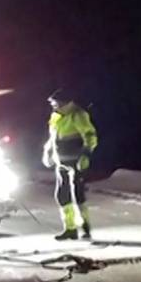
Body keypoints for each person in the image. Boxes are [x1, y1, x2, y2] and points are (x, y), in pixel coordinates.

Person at [42, 90, 98, 241]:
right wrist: (47, 152)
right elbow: (52, 138)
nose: (53, 106)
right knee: (62, 194)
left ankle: (85, 227)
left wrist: (86, 155)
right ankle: (70, 229)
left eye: (55, 103)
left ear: (65, 103)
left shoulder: (78, 115)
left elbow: (90, 136)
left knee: (77, 194)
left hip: (77, 162)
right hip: (61, 162)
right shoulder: (56, 117)